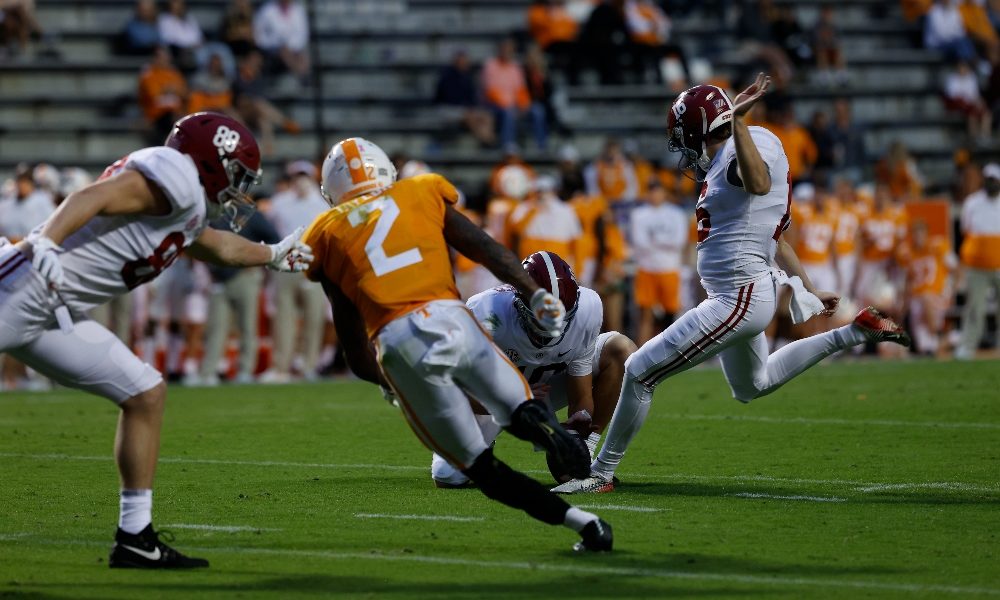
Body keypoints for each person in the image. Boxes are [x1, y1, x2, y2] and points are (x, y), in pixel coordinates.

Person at [552, 75, 911, 495]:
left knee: (639, 370)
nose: (681, 146)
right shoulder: (738, 150)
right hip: (743, 290)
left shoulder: (748, 148)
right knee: (751, 385)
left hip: (737, 296)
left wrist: (738, 123)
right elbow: (775, 235)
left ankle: (600, 472)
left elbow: (755, 181)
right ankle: (855, 331)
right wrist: (808, 287)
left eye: (682, 135)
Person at [0, 112, 312, 567]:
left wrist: (273, 253)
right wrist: (47, 241)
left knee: (145, 392)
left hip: (52, 312)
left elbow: (218, 246)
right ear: (210, 160)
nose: (239, 187)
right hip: (21, 286)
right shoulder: (176, 174)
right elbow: (95, 195)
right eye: (235, 174)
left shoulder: (187, 205)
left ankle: (135, 537)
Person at [302, 137, 612, 552]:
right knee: (519, 408)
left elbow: (356, 354)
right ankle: (545, 430)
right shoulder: (421, 189)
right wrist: (533, 292)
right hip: (452, 318)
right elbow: (484, 247)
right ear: (386, 172)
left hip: (402, 341)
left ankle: (583, 524)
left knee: (478, 469)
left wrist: (389, 382)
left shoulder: (324, 233)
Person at [431, 251, 637, 488]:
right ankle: (483, 443)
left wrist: (575, 432)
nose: (555, 328)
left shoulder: (588, 307)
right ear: (520, 303)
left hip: (544, 387)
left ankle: (587, 455)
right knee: (448, 476)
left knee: (622, 350)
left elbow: (581, 394)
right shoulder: (486, 312)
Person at [260, 160, 329, 382]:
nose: (300, 180)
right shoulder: (279, 203)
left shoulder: (322, 203)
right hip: (284, 264)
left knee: (313, 318)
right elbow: (268, 232)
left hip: (311, 264)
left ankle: (309, 365)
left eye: (304, 175)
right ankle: (281, 367)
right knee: (284, 319)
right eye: (296, 176)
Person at [196, 210, 280, 385]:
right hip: (219, 277)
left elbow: (273, 238)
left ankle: (245, 370)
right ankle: (208, 372)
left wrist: (258, 259)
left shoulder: (250, 214)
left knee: (247, 326)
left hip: (245, 275)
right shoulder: (211, 211)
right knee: (216, 327)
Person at [629, 179, 688, 344]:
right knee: (645, 313)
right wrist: (664, 242)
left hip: (669, 268)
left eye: (658, 191)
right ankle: (641, 349)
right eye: (652, 191)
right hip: (646, 267)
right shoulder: (639, 214)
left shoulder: (676, 213)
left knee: (671, 311)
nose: (655, 195)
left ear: (664, 193)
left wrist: (656, 240)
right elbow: (639, 242)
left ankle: (670, 347)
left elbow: (679, 241)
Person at [956, 162, 1000, 359]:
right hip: (977, 266)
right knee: (975, 307)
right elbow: (965, 230)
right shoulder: (972, 203)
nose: (992, 184)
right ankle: (967, 346)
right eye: (989, 179)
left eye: (995, 180)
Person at [898, 220, 957, 356]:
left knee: (926, 297)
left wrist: (951, 291)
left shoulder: (938, 246)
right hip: (916, 301)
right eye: (915, 233)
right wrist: (904, 305)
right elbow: (908, 281)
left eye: (921, 232)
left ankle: (938, 334)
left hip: (936, 297)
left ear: (926, 234)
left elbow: (956, 269)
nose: (918, 236)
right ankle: (951, 338)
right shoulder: (908, 253)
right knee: (925, 348)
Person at [253, 0, 309, 80]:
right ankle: (300, 74)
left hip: (294, 49)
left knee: (303, 58)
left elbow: (302, 34)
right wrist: (276, 44)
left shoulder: (298, 10)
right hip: (271, 49)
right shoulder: (266, 10)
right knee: (285, 52)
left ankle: (302, 78)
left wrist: (289, 46)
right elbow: (258, 35)